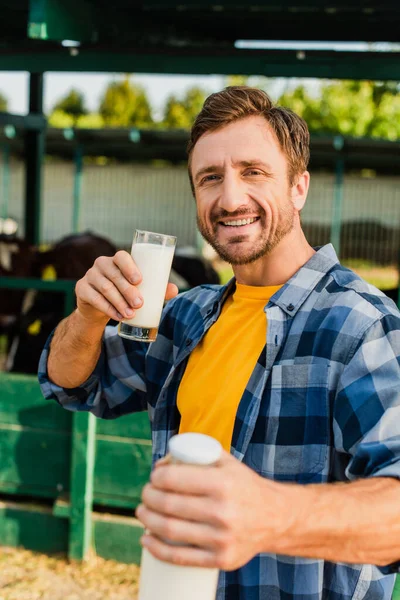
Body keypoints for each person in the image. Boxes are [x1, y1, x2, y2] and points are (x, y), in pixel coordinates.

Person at [39, 86, 400, 600]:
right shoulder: (186, 316)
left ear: (299, 187)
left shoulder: (362, 325)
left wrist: (269, 516)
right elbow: (73, 383)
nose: (230, 198)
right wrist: (87, 318)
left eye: (253, 172)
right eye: (211, 178)